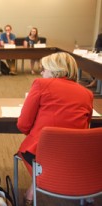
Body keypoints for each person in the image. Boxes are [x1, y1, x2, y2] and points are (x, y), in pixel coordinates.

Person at [17, 52, 93, 206]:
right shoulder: (87, 93)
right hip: (77, 155)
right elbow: (87, 126)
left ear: (55, 70)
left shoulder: (41, 84)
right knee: (56, 156)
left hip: (42, 152)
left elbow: (23, 125)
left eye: (44, 68)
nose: (41, 72)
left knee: (42, 155)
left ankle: (35, 188)